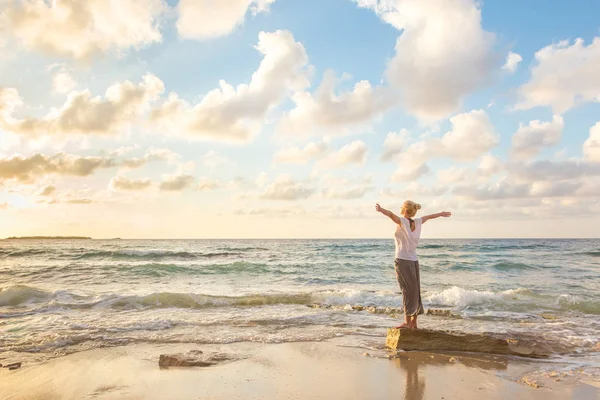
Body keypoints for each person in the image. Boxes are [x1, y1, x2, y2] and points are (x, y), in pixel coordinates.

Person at [375, 201, 451, 329]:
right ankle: (414, 322)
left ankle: (407, 321)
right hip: (414, 261)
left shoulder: (402, 221)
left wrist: (381, 210)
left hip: (402, 260)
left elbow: (391, 215)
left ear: (404, 210)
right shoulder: (418, 222)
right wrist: (441, 214)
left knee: (407, 290)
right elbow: (429, 216)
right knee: (415, 291)